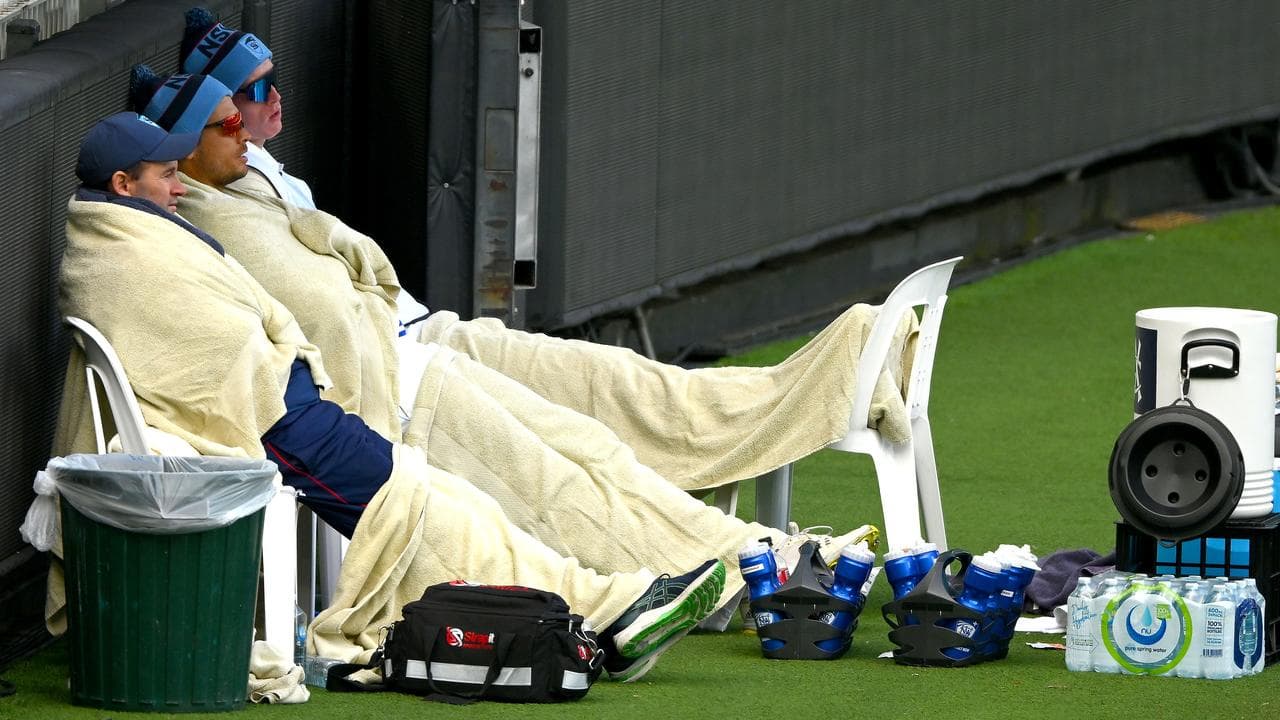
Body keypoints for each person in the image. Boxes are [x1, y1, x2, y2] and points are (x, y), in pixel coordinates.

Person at [53, 108, 727, 683]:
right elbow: (216, 361)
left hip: (288, 408)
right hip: (274, 425)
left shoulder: (129, 234)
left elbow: (241, 333)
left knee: (449, 491)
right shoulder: (119, 259)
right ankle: (604, 609)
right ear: (122, 183)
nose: (178, 187)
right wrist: (291, 362)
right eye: (165, 175)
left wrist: (290, 356)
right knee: (429, 506)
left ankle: (603, 612)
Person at [173, 9, 920, 496]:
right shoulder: (213, 200)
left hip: (426, 335)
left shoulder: (263, 175)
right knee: (579, 416)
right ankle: (796, 402)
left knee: (610, 377)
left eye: (267, 90)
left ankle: (796, 391)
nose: (266, 108)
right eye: (246, 99)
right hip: (404, 359)